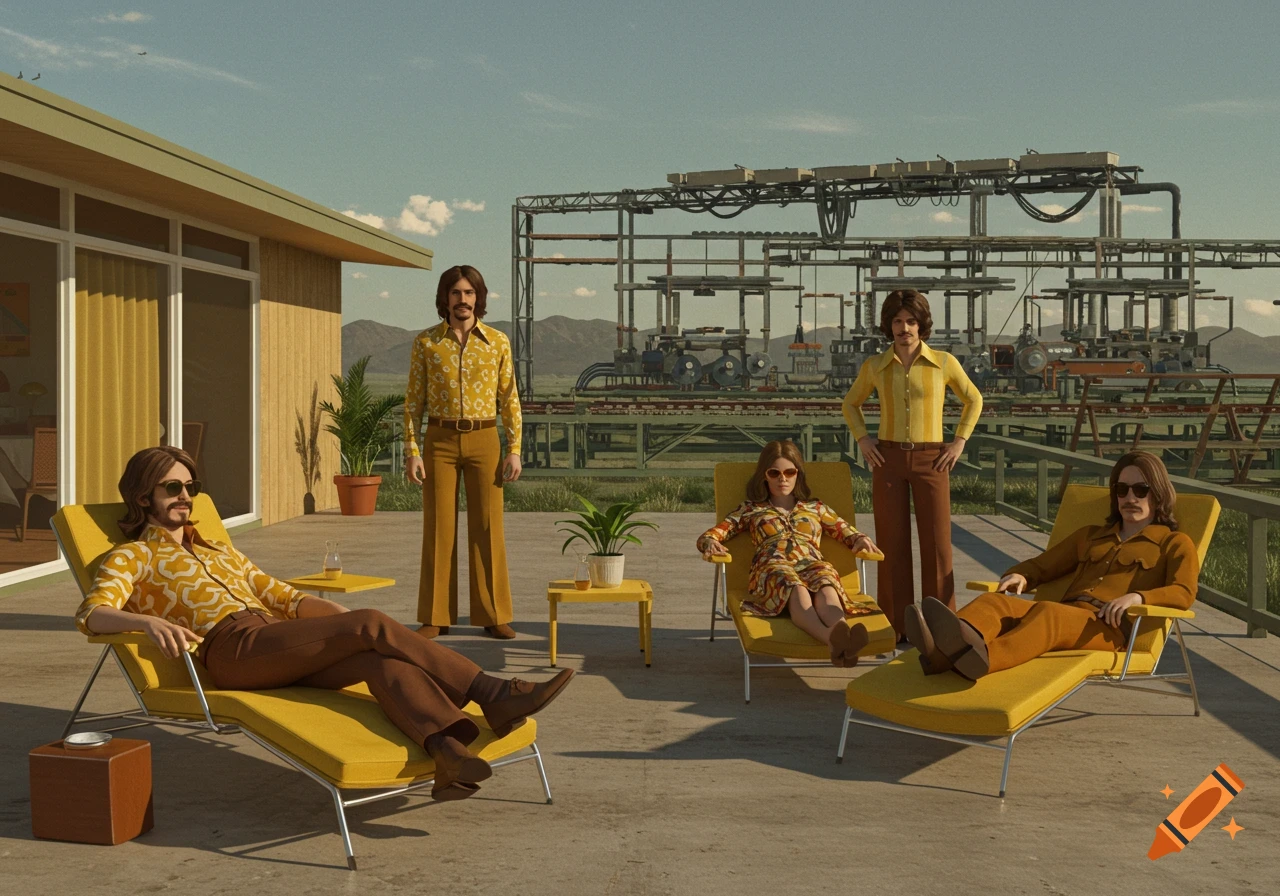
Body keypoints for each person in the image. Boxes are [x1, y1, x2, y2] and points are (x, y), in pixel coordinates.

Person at [75, 446, 573, 801]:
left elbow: (283, 595)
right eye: (173, 487)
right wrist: (143, 621)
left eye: (191, 487)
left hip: (275, 642)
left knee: (374, 654)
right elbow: (92, 613)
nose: (186, 496)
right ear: (144, 496)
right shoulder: (133, 555)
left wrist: (340, 621)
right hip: (233, 652)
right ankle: (490, 692)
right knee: (372, 626)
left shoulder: (219, 549)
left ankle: (447, 753)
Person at [904, 451, 1199, 680]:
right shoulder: (1091, 536)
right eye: (1122, 490)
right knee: (995, 603)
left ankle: (984, 661)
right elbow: (1044, 566)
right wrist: (1020, 574)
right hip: (1068, 614)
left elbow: (1183, 592)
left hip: (1106, 629)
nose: (1130, 498)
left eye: (1140, 489)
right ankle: (939, 654)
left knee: (1047, 612)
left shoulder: (1173, 543)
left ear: (1158, 493)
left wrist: (1138, 597)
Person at [842, 288, 983, 644]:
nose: (904, 328)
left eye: (910, 321)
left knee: (937, 544)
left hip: (931, 459)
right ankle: (897, 625)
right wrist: (863, 439)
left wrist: (959, 442)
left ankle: (941, 626)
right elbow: (850, 404)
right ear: (888, 326)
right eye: (897, 321)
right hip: (887, 459)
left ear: (922, 325)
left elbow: (974, 399)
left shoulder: (945, 363)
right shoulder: (874, 366)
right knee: (891, 543)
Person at [403, 265, 523, 639]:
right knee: (439, 527)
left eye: (469, 293)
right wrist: (412, 450)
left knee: (488, 527)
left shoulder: (498, 342)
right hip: (439, 440)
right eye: (456, 293)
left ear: (478, 298)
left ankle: (493, 614)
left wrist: (514, 448)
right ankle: (436, 616)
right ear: (445, 299)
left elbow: (510, 399)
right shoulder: (426, 343)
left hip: (486, 439)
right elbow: (412, 403)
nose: (463, 300)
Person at [696, 440, 883, 667]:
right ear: (764, 475)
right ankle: (833, 642)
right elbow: (715, 533)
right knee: (796, 588)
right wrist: (709, 543)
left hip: (812, 562)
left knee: (826, 586)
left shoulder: (816, 508)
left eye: (789, 472)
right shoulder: (751, 509)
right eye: (774, 473)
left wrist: (861, 539)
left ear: (798, 474)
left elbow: (846, 531)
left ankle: (843, 634)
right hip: (772, 565)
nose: (782, 479)